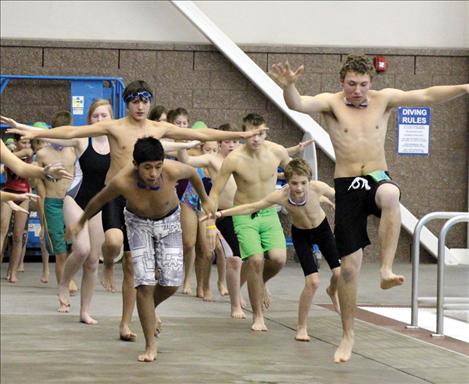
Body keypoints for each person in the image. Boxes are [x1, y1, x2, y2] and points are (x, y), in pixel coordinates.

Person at [3, 79, 267, 341]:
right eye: (135, 101)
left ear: (149, 102)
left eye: (144, 101)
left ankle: (126, 322)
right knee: (113, 242)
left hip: (142, 200)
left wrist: (240, 136)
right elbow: (72, 132)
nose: (140, 106)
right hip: (117, 195)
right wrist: (34, 131)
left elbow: (200, 134)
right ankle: (108, 263)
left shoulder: (157, 128)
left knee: (133, 265)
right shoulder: (115, 126)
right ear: (128, 103)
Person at [270, 54, 469, 362]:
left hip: (376, 176)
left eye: (363, 85)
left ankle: (387, 269)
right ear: (342, 82)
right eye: (351, 84)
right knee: (349, 269)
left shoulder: (384, 100)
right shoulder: (331, 103)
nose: (357, 91)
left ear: (371, 83)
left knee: (390, 195)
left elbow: (428, 95)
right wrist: (289, 87)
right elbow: (298, 103)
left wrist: (465, 87)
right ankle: (348, 335)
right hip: (348, 185)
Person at [68, 137, 215, 362]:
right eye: (147, 167)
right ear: (136, 164)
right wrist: (81, 222)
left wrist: (205, 200)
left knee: (171, 283)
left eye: (158, 166)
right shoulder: (122, 182)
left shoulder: (173, 170)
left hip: (169, 222)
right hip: (138, 224)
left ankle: (149, 310)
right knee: (145, 284)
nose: (154, 173)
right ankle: (150, 346)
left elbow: (195, 175)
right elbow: (98, 201)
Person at [205, 158, 340, 341]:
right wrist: (221, 213)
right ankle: (301, 327)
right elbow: (252, 207)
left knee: (339, 274)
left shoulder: (317, 188)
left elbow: (339, 195)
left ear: (309, 181)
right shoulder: (281, 196)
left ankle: (332, 290)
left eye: (303, 183)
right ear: (287, 182)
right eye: (294, 183)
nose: (299, 188)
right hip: (301, 235)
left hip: (322, 230)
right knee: (313, 282)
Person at [206, 113, 291, 331]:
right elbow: (215, 192)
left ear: (266, 132)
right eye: (251, 134)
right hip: (243, 214)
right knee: (255, 260)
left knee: (279, 259)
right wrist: (210, 224)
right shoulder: (234, 159)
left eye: (260, 133)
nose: (256, 138)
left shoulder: (277, 152)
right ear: (244, 134)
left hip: (269, 213)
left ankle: (260, 282)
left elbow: (297, 175)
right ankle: (258, 317)